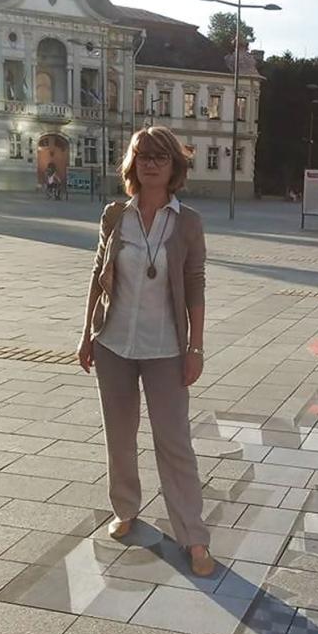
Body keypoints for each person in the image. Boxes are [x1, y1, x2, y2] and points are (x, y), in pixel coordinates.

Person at [76, 126, 214, 577]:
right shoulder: (116, 214)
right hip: (113, 343)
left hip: (166, 348)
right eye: (143, 156)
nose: (151, 163)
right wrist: (86, 334)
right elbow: (98, 274)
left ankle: (193, 535)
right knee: (119, 435)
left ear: (175, 166)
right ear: (132, 164)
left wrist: (195, 347)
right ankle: (126, 508)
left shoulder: (187, 221)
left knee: (174, 441)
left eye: (160, 156)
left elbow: (195, 285)